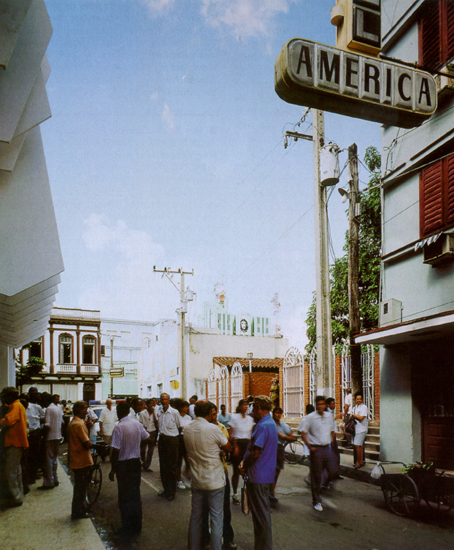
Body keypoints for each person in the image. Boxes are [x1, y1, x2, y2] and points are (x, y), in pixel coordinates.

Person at [183, 400, 231, 550]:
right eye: (213, 413)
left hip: (197, 480)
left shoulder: (187, 429)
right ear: (209, 413)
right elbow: (228, 447)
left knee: (196, 517)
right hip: (215, 480)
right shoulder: (212, 428)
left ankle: (193, 547)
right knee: (216, 519)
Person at [239, 395, 278, 550]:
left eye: (254, 407)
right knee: (261, 515)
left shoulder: (263, 426)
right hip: (264, 475)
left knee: (261, 517)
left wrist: (244, 464)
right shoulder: (270, 423)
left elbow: (256, 452)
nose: (252, 411)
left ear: (259, 407)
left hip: (258, 476)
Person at [109, 401, 150, 534]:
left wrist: (113, 469)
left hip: (123, 465)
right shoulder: (137, 424)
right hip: (135, 464)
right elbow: (148, 438)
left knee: (124, 496)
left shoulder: (119, 427)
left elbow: (115, 450)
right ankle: (137, 526)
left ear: (119, 412)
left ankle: (126, 526)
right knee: (135, 495)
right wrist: (137, 443)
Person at [301, 395, 338, 512]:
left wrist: (331, 442)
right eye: (318, 404)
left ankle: (324, 485)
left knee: (333, 471)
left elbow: (333, 431)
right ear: (316, 405)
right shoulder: (310, 418)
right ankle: (316, 500)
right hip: (316, 449)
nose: (320, 406)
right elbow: (303, 433)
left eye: (322, 404)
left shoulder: (329, 416)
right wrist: (310, 446)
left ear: (325, 405)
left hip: (327, 448)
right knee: (316, 476)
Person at [0, 386, 28, 507]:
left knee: (10, 471)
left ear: (11, 396)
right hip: (17, 442)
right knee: (16, 471)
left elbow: (9, 420)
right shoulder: (18, 405)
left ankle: (16, 498)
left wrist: (1, 420)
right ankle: (18, 495)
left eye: (5, 396)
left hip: (14, 442)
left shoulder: (16, 406)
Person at [67, 401, 93, 519]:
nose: (87, 412)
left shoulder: (75, 422)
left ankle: (79, 509)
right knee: (80, 488)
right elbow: (87, 443)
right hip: (81, 460)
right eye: (85, 409)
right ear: (79, 410)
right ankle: (78, 511)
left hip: (76, 459)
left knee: (79, 487)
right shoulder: (79, 424)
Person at [228, 398, 254, 504]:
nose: (245, 407)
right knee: (236, 471)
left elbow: (252, 435)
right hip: (237, 445)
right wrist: (235, 445)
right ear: (239, 407)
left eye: (247, 405)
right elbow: (230, 434)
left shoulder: (250, 419)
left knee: (248, 470)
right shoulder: (234, 418)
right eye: (243, 405)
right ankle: (234, 493)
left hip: (247, 445)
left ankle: (248, 493)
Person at [156, 392, 181, 500]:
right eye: (162, 399)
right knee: (163, 466)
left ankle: (172, 492)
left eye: (166, 399)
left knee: (171, 467)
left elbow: (179, 427)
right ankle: (166, 490)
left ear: (169, 401)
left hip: (172, 440)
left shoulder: (174, 412)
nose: (164, 401)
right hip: (162, 440)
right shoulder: (159, 412)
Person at [270, 406, 294, 504]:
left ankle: (271, 491)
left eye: (280, 413)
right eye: (277, 412)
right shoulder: (270, 424)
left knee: (277, 471)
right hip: (270, 449)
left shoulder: (283, 425)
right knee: (272, 472)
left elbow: (292, 437)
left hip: (279, 449)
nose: (278, 415)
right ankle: (270, 492)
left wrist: (283, 436)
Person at [41, 394, 63, 489]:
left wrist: (44, 437)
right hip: (58, 436)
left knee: (48, 460)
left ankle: (49, 482)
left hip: (50, 437)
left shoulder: (48, 409)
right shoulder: (58, 409)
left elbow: (47, 425)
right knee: (54, 459)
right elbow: (62, 422)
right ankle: (55, 478)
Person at [25, 390, 45, 484]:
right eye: (35, 395)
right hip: (25, 434)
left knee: (34, 455)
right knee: (26, 456)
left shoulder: (37, 407)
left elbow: (44, 417)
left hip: (35, 434)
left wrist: (37, 424)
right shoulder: (23, 406)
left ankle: (32, 476)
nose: (37, 397)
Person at [176, 399, 192, 489]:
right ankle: (179, 480)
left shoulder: (188, 418)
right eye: (186, 407)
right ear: (181, 408)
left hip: (186, 439)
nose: (187, 408)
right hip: (179, 439)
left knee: (188, 460)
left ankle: (188, 478)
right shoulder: (177, 416)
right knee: (179, 461)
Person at [139, 398, 157, 472]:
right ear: (147, 405)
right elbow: (140, 422)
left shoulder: (155, 412)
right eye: (150, 404)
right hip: (145, 432)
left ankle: (147, 466)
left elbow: (156, 422)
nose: (152, 406)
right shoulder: (142, 413)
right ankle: (143, 461)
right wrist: (143, 425)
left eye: (153, 404)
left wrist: (154, 414)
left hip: (153, 432)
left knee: (151, 450)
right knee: (142, 450)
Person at [351, 393, 368, 469]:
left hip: (362, 428)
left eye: (360, 399)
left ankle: (358, 462)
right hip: (356, 428)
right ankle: (361, 461)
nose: (359, 400)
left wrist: (354, 415)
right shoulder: (354, 408)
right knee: (360, 446)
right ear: (355, 400)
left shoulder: (364, 407)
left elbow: (361, 418)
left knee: (357, 445)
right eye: (357, 399)